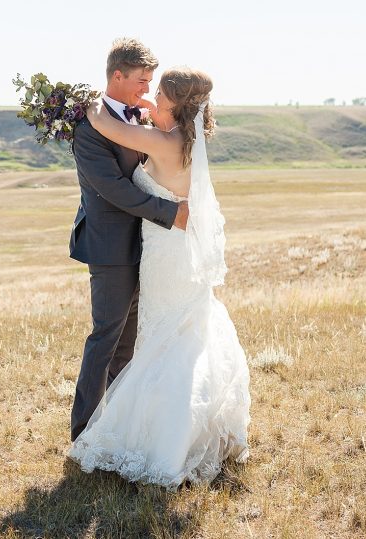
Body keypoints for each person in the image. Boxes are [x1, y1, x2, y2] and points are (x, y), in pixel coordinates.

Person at [67, 65, 251, 489]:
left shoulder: (160, 141)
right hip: (172, 255)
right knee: (177, 340)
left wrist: (86, 102)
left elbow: (100, 122)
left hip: (164, 254)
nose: (152, 98)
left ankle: (164, 439)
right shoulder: (184, 140)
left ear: (175, 106)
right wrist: (151, 109)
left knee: (161, 345)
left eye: (159, 95)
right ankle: (186, 429)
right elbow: (152, 125)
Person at [68, 38, 189, 446]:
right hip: (110, 248)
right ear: (116, 76)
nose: (145, 89)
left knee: (129, 344)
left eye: (150, 81)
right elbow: (114, 189)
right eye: (141, 80)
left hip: (147, 246)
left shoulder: (137, 118)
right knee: (106, 336)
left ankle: (116, 426)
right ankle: (83, 433)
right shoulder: (89, 128)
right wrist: (171, 213)